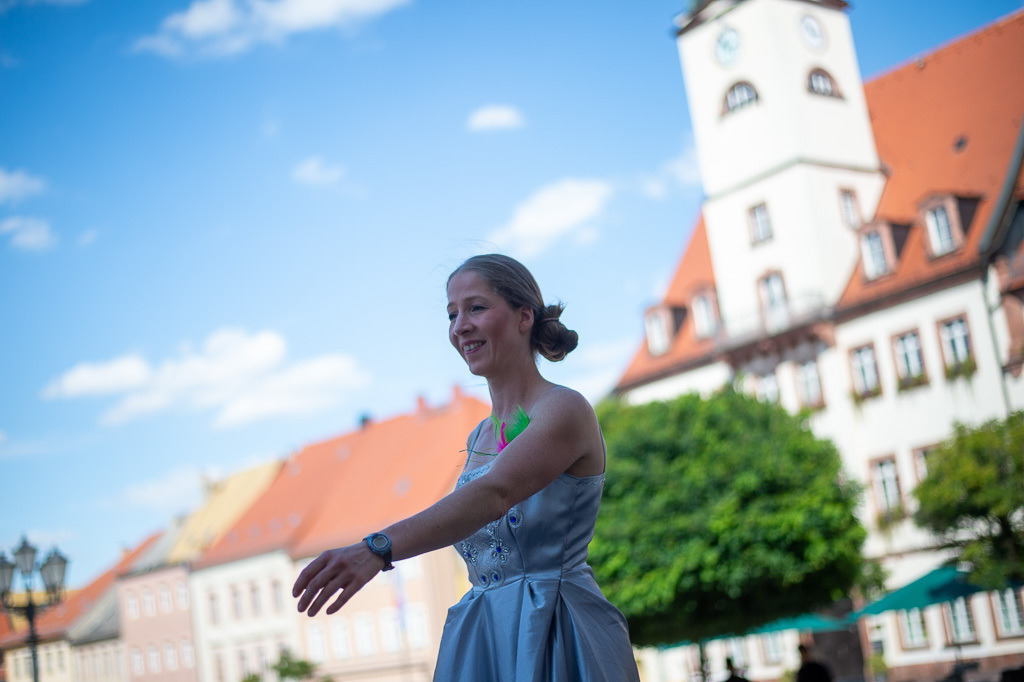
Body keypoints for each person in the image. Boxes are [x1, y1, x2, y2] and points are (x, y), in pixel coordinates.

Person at [292, 254, 640, 681]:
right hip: (486, 631)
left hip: (554, 626)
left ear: (523, 316)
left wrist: (378, 549)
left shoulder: (563, 408)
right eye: (452, 314)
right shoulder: (477, 438)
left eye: (476, 308)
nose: (460, 326)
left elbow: (493, 494)